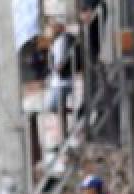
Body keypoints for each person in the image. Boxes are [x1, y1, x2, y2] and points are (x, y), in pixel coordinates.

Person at [47, 19, 77, 147]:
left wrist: (54, 68)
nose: (50, 29)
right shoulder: (63, 40)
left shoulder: (61, 41)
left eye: (52, 26)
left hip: (60, 82)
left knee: (55, 107)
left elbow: (60, 63)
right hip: (63, 81)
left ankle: (63, 137)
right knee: (58, 108)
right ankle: (64, 135)